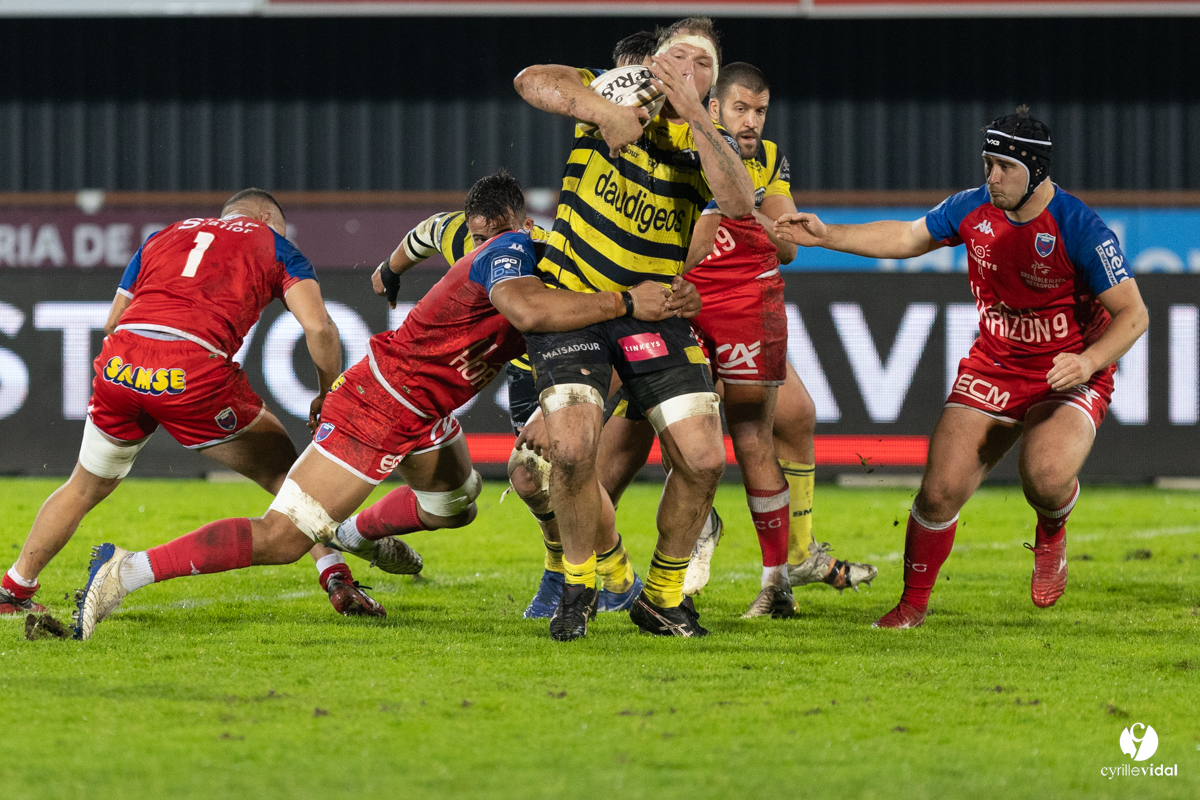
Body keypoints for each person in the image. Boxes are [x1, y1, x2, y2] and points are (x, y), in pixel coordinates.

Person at [73, 171, 683, 640]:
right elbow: (528, 311)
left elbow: (422, 242)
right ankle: (126, 569)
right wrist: (628, 299)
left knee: (456, 504)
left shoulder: (552, 262)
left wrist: (391, 272)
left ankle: (352, 530)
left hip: (426, 408)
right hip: (384, 402)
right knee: (284, 538)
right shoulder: (514, 249)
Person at [774, 107, 1149, 628]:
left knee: (1043, 477)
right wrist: (828, 234)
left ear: (1035, 170)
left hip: (1065, 374)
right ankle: (911, 606)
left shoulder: (1080, 227)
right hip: (995, 365)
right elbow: (908, 238)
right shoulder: (972, 208)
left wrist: (1087, 362)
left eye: (1003, 166)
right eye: (987, 163)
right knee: (937, 491)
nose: (990, 176)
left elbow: (1135, 314)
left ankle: (1052, 526)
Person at [0, 189, 388, 619]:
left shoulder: (164, 235)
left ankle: (13, 589)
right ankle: (337, 578)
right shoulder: (275, 245)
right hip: (190, 370)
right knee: (287, 476)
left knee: (83, 486)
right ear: (265, 217)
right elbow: (321, 329)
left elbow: (112, 321)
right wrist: (326, 390)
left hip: (120, 364)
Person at [513, 17, 754, 640]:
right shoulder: (612, 94)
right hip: (579, 302)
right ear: (655, 60)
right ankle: (576, 582)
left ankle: (663, 596)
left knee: (703, 461)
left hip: (654, 312)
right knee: (569, 451)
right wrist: (600, 109)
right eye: (680, 57)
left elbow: (738, 203)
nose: (689, 71)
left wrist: (699, 117)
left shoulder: (710, 138)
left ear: (714, 82)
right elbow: (532, 79)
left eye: (704, 66)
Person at [680, 61, 877, 617]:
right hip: (688, 304)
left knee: (795, 416)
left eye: (760, 111)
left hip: (746, 304)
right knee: (680, 429)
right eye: (740, 108)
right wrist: (746, 214)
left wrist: (753, 216)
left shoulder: (767, 159)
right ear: (713, 108)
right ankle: (683, 539)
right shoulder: (685, 149)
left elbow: (788, 246)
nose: (751, 122)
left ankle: (794, 556)